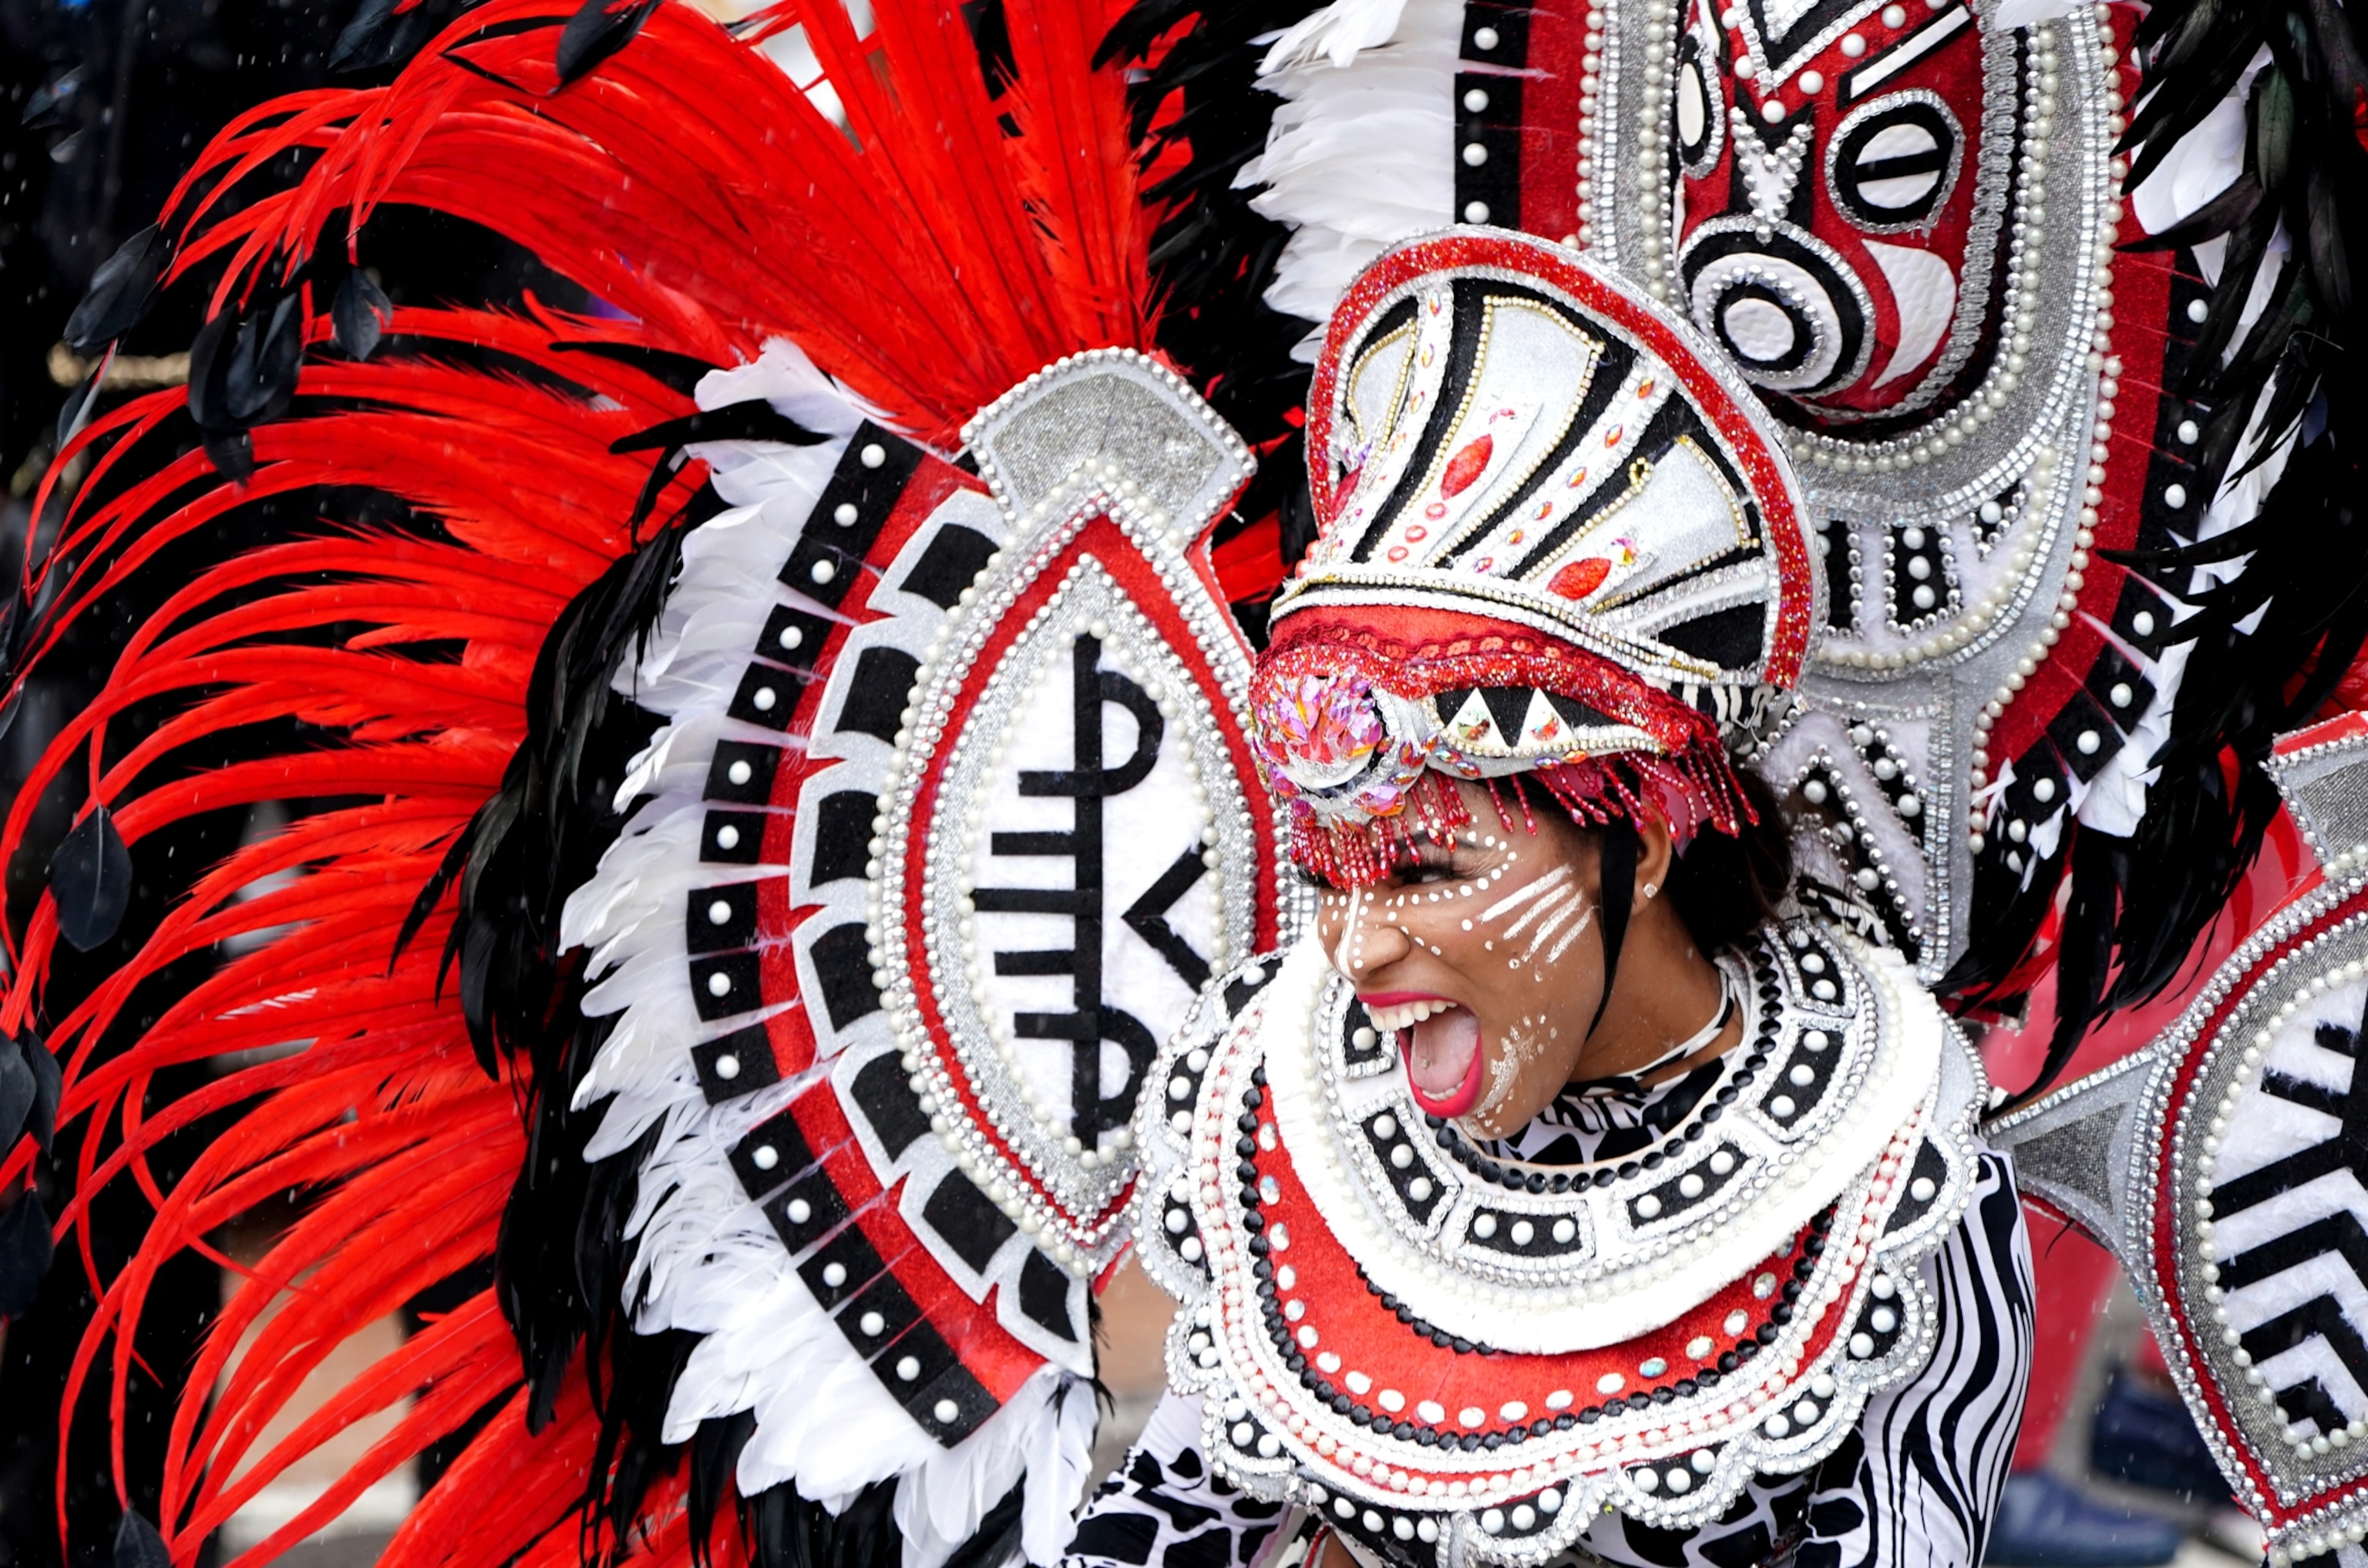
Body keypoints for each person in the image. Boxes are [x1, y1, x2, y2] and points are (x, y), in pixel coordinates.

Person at [1079, 230, 2032, 1568]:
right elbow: (1157, 1522)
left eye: (1422, 868)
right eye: (1327, 876)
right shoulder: (1276, 1109)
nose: (1354, 948)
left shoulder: (1895, 1189)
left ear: (1637, 843)